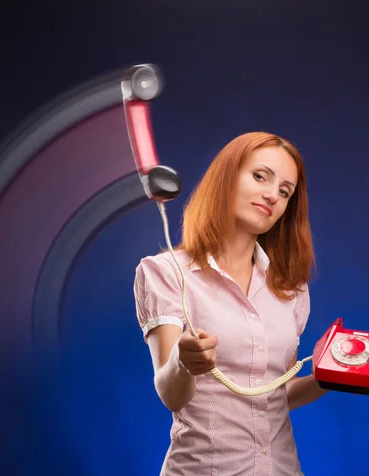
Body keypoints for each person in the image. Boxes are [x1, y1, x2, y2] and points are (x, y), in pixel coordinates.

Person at [133, 131, 327, 475]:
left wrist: (334, 378)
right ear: (226, 177)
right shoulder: (166, 273)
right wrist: (183, 361)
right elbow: (170, 394)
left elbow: (276, 394)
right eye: (260, 176)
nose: (272, 195)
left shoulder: (289, 288)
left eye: (285, 192)